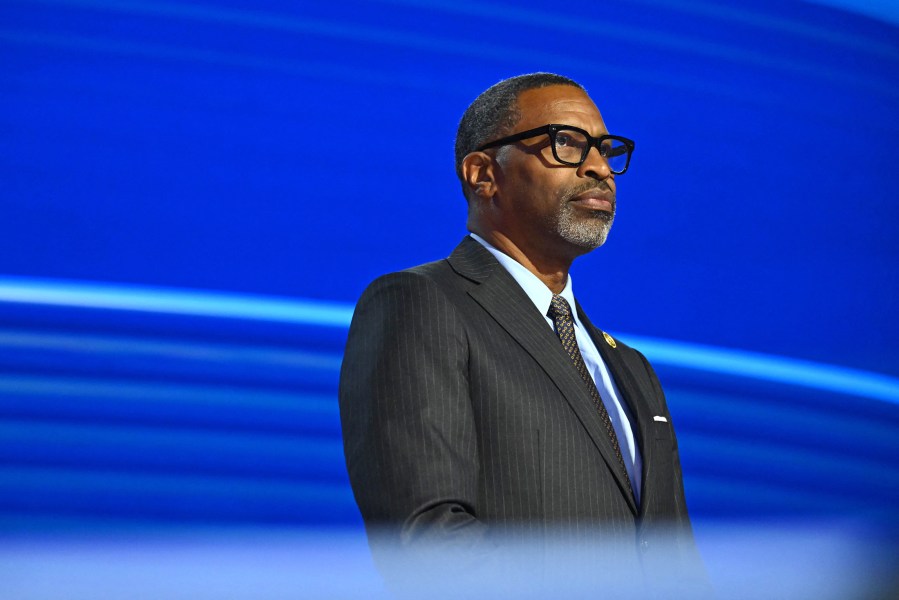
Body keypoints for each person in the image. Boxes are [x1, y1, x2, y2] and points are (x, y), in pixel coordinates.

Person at [339, 73, 706, 595]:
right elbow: (426, 537)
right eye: (567, 144)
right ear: (483, 173)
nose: (600, 168)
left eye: (605, 150)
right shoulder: (420, 303)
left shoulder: (631, 369)